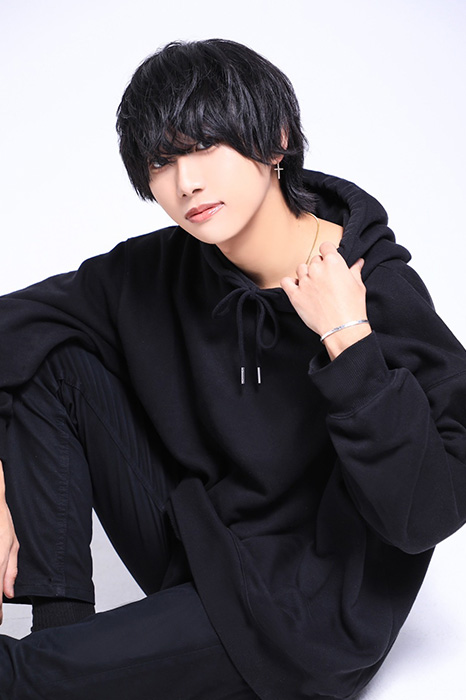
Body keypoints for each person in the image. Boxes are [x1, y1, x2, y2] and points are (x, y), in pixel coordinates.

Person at [0, 38, 465, 700]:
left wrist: (348, 340)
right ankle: (62, 634)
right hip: (201, 549)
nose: (185, 182)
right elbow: (15, 325)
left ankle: (55, 672)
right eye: (161, 160)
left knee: (14, 677)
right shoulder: (161, 269)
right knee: (52, 357)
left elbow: (424, 516)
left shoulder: (375, 289)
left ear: (276, 141)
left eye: (204, 146)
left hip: (302, 621)